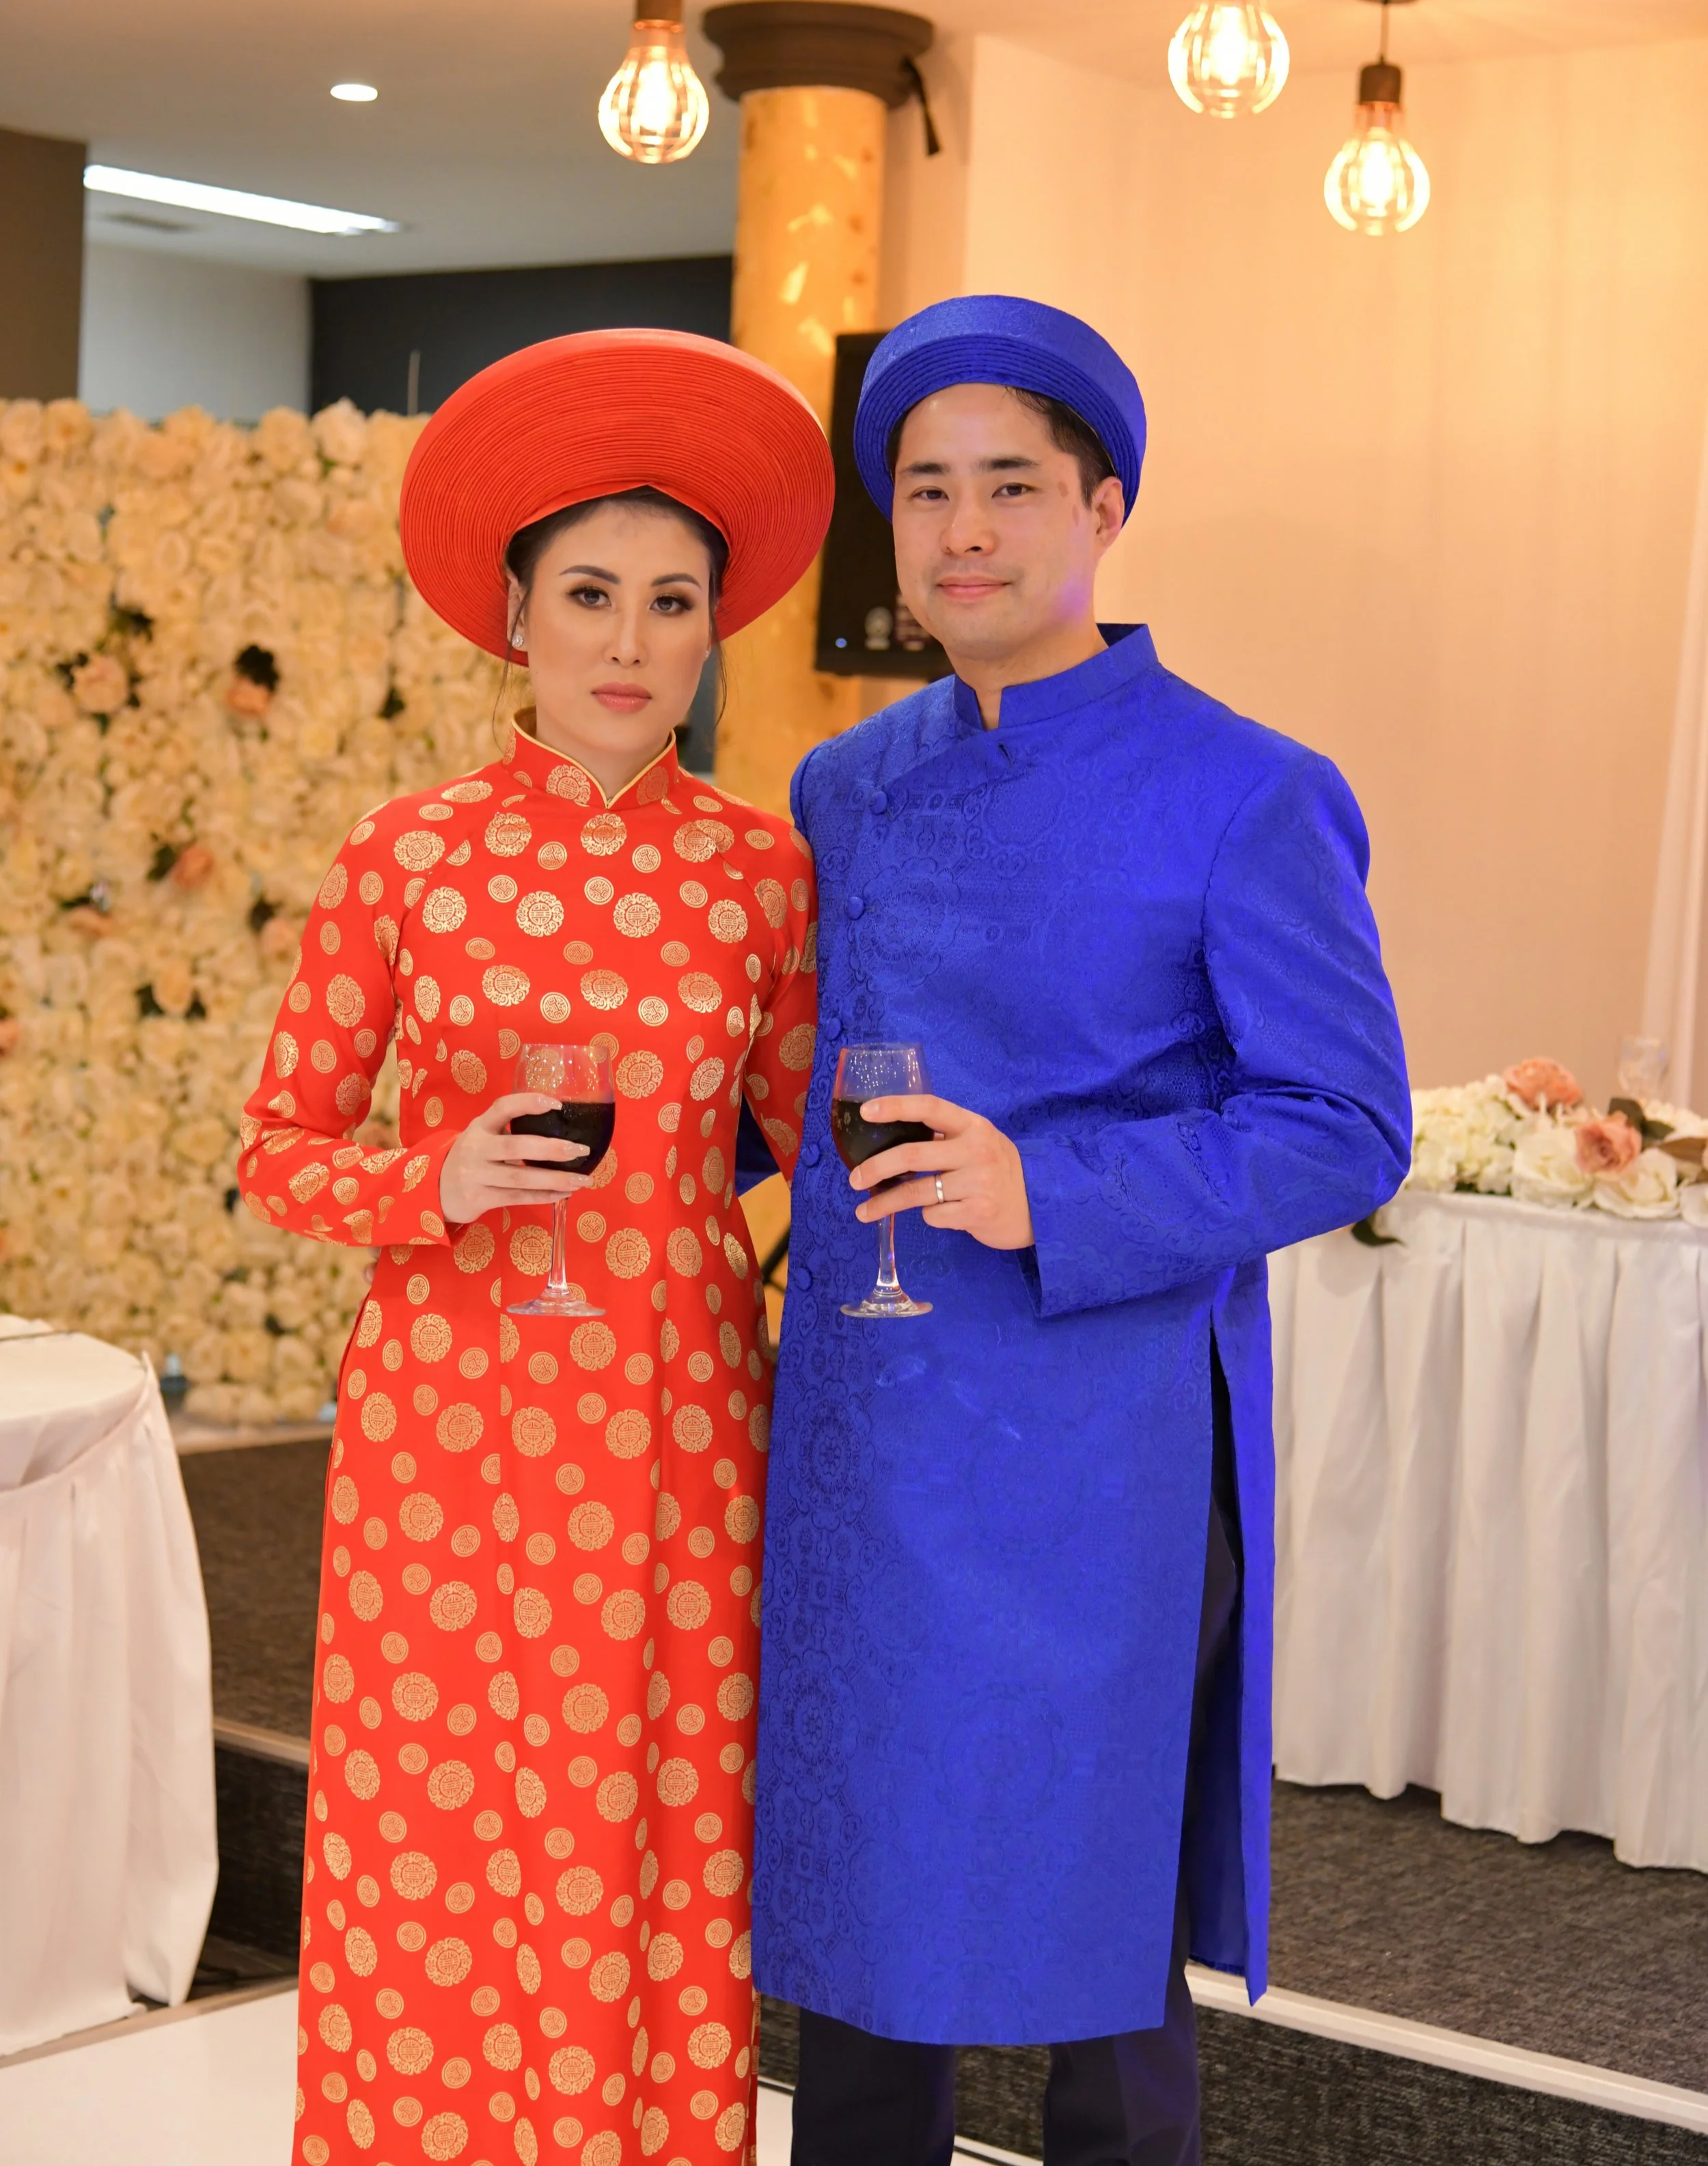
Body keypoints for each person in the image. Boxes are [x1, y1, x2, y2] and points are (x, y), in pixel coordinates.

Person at [752, 294, 1411, 2165]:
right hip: (869, 1430)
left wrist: (1055, 1188)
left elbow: (1342, 1125)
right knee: (864, 1889)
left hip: (1102, 1452)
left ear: (1101, 506)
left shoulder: (1244, 790)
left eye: (1009, 486)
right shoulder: (844, 787)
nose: (962, 529)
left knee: (1092, 1904)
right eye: (924, 488)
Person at [238, 329, 831, 2166]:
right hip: (448, 1432)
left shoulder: (761, 871)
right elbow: (278, 1153)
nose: (631, 639)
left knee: (650, 1824)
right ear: (514, 609)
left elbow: (825, 1124)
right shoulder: (405, 857)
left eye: (671, 599)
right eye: (591, 593)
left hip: (674, 1425)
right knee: (443, 1820)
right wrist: (435, 1179)